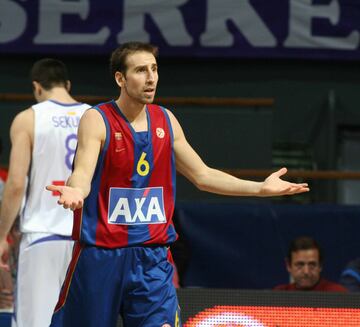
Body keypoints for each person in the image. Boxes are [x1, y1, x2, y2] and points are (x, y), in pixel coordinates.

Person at [46, 42, 309, 327]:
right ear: (120, 78)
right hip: (101, 256)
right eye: (140, 70)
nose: (151, 78)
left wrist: (259, 188)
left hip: (152, 259)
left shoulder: (166, 120)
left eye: (154, 69)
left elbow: (203, 175)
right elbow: (82, 171)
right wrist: (77, 190)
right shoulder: (97, 119)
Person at [0, 58, 91, 327]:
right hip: (85, 240)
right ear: (68, 84)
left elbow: (16, 183)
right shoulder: (95, 116)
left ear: (37, 87)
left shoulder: (28, 118)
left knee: (34, 323)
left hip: (42, 235)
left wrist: (2, 235)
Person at [274, 236, 347, 292]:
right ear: (288, 265)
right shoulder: (278, 294)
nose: (306, 272)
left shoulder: (336, 293)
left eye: (312, 265)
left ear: (320, 266)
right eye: (300, 265)